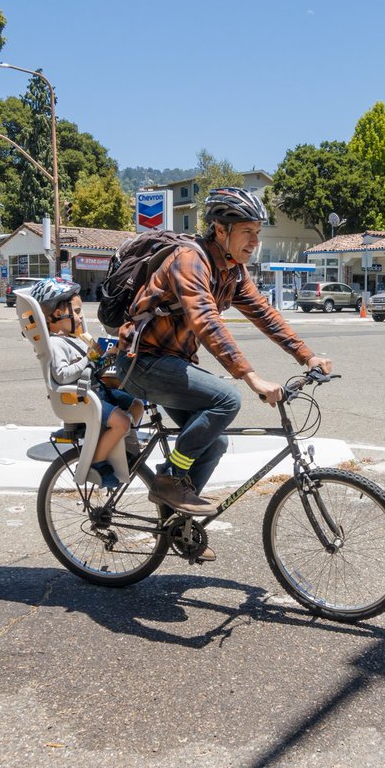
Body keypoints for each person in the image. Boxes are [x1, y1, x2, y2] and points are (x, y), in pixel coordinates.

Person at [118, 187, 332, 530]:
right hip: (142, 361)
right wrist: (250, 376)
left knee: (215, 441)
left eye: (257, 233)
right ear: (221, 230)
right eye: (247, 232)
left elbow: (264, 313)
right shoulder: (190, 260)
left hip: (173, 363)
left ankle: (178, 523)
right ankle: (170, 478)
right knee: (227, 398)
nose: (254, 241)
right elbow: (206, 320)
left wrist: (306, 355)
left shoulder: (232, 271)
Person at [33, 277, 143, 489]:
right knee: (122, 422)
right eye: (76, 311)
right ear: (57, 314)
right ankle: (98, 462)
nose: (81, 316)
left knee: (137, 404)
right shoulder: (56, 343)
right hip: (82, 399)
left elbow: (92, 368)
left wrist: (110, 355)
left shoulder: (75, 339)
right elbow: (62, 376)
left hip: (94, 391)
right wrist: (89, 358)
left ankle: (122, 447)